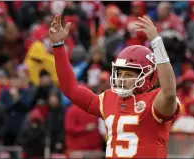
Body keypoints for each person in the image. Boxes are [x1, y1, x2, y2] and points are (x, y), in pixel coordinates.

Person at [49, 14, 180, 158]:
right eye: (120, 73)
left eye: (129, 74)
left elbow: (169, 93)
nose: (121, 78)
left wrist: (156, 42)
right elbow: (71, 90)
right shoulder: (108, 99)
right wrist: (58, 46)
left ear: (148, 75)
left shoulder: (156, 101)